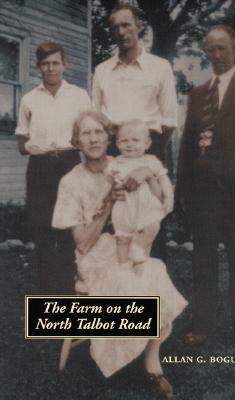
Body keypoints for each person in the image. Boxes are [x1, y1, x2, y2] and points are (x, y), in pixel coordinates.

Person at [52, 110, 187, 399]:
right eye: (85, 133)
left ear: (108, 136)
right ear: (77, 141)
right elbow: (82, 244)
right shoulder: (71, 182)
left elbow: (161, 200)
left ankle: (152, 360)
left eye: (98, 131)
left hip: (129, 246)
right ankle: (117, 356)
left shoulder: (127, 160)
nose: (93, 138)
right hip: (94, 256)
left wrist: (147, 173)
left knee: (154, 271)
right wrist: (108, 204)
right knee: (128, 282)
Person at [175, 25, 235, 348]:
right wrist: (181, 192)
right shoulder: (198, 94)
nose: (216, 55)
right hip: (202, 194)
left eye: (222, 48)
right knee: (203, 261)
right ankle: (203, 325)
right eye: (210, 49)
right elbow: (186, 146)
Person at [15, 42, 91, 294]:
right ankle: (47, 291)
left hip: (70, 163)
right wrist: (34, 146)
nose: (51, 68)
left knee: (70, 228)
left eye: (55, 63)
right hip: (40, 167)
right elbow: (21, 142)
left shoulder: (80, 95)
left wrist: (76, 143)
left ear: (64, 64)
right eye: (45, 64)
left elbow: (89, 132)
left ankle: (71, 288)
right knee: (43, 229)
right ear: (38, 67)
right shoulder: (29, 99)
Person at [92, 2, 178, 165]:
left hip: (149, 147)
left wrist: (151, 148)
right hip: (113, 149)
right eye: (115, 27)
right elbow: (96, 118)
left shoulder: (160, 67)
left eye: (126, 25)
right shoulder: (101, 71)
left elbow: (169, 122)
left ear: (138, 26)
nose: (121, 32)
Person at [94, 119, 174, 266]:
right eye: (124, 141)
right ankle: (123, 265)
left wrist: (169, 197)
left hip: (145, 206)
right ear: (117, 144)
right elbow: (107, 183)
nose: (130, 145)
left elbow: (164, 180)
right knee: (122, 238)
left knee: (152, 225)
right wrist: (100, 199)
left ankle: (139, 248)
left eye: (135, 140)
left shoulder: (151, 161)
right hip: (124, 207)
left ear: (147, 143)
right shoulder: (116, 163)